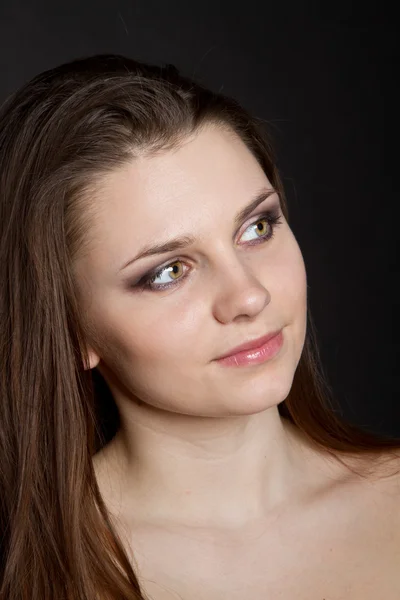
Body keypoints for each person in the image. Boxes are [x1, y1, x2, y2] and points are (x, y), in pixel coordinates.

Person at [0, 54, 399, 600]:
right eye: (168, 272)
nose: (249, 296)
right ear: (70, 330)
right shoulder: (29, 579)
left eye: (257, 227)